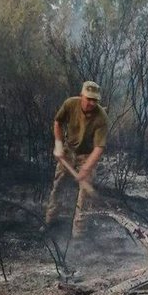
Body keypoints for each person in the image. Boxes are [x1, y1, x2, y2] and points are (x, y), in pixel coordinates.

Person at [45, 81, 108, 237]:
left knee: (85, 194)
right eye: (89, 99)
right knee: (58, 185)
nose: (91, 103)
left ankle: (79, 233)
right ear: (82, 96)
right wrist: (58, 144)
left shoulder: (101, 117)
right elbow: (58, 122)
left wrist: (86, 168)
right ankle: (50, 221)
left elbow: (99, 148)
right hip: (69, 150)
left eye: (95, 100)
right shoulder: (70, 104)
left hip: (87, 155)